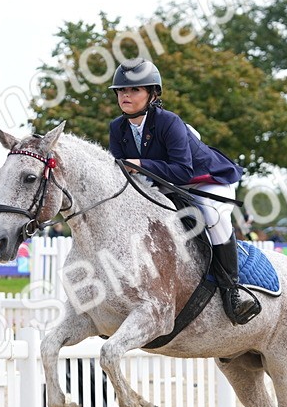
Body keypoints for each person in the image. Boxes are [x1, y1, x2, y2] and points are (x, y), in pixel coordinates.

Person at [108, 59, 260, 325]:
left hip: (205, 179)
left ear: (152, 94)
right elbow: (122, 174)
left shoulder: (168, 122)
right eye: (121, 91)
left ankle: (233, 291)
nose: (126, 96)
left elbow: (181, 170)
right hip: (166, 183)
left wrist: (141, 164)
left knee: (212, 217)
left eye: (134, 90)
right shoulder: (117, 128)